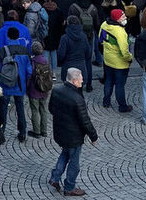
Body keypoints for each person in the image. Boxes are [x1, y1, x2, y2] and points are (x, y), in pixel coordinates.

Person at [48, 67, 98, 197]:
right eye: (81, 80)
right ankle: (69, 187)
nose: (82, 82)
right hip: (73, 136)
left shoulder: (56, 90)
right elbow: (85, 121)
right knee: (74, 163)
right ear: (75, 81)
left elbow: (51, 109)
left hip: (60, 132)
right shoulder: (77, 98)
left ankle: (55, 178)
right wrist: (94, 136)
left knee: (65, 154)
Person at [99, 9, 133, 112]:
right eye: (123, 17)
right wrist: (129, 59)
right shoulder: (120, 32)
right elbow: (124, 50)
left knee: (108, 80)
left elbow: (100, 40)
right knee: (120, 85)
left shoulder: (104, 24)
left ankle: (106, 101)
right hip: (120, 64)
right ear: (117, 19)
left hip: (108, 60)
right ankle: (122, 106)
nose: (125, 18)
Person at [27, 41, 52, 138]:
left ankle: (36, 131)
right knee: (43, 110)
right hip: (44, 89)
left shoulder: (33, 62)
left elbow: (29, 75)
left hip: (34, 89)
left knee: (35, 110)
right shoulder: (45, 60)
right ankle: (44, 131)